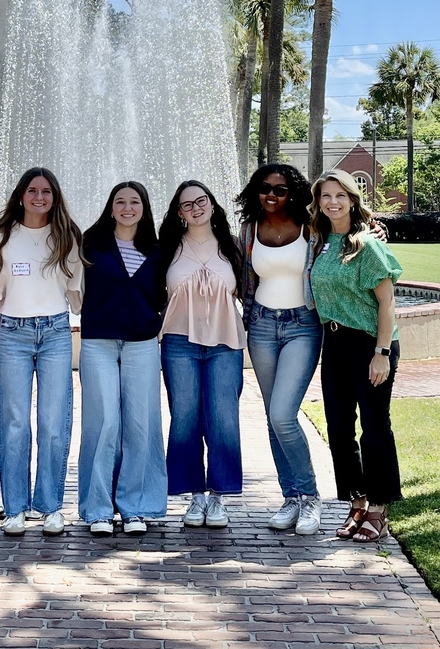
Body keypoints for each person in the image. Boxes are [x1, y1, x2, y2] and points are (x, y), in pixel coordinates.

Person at [0, 167, 83, 537]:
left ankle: (51, 505)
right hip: (13, 333)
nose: (38, 197)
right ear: (21, 194)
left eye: (46, 192)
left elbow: (75, 289)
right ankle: (14, 508)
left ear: (54, 196)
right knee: (14, 422)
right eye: (32, 190)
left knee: (54, 423)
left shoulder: (67, 235)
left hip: (56, 332)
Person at [310, 169, 403, 543]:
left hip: (370, 344)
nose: (333, 202)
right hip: (334, 344)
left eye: (340, 196)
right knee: (338, 428)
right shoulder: (321, 241)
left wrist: (381, 353)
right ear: (318, 203)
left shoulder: (367, 244)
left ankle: (379, 508)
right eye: (325, 196)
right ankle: (357, 502)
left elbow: (387, 302)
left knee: (375, 426)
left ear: (352, 199)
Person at [237, 164, 323, 535]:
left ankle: (310, 498)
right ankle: (290, 498)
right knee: (273, 416)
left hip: (303, 326)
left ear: (294, 193)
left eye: (281, 189)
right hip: (261, 326)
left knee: (284, 414)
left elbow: (346, 240)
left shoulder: (311, 229)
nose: (271, 195)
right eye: (265, 188)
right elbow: (242, 278)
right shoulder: (248, 231)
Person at [78, 182, 168, 536]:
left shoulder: (157, 250)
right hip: (98, 342)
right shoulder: (91, 244)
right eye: (120, 201)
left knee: (141, 425)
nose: (127, 207)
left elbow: (166, 293)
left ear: (144, 207)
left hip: (143, 344)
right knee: (104, 424)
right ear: (110, 207)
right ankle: (98, 509)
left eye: (134, 202)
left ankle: (135, 507)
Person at [159, 180, 244, 529]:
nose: (196, 208)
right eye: (187, 205)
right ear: (179, 213)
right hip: (179, 343)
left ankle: (218, 496)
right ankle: (194, 495)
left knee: (223, 418)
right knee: (185, 418)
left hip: (225, 343)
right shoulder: (167, 248)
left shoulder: (233, 247)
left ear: (211, 204)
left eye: (201, 200)